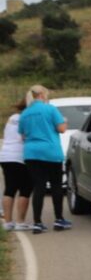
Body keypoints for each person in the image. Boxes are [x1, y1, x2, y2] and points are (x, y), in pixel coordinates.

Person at [19, 85, 69, 234]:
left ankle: (37, 223)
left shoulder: (25, 113)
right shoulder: (50, 109)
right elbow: (62, 129)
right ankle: (59, 219)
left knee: (39, 187)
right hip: (50, 152)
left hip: (31, 153)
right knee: (56, 186)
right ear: (41, 94)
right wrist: (64, 121)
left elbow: (23, 136)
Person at [1, 98, 33, 231]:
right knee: (25, 188)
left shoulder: (12, 117)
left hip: (5, 155)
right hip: (20, 156)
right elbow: (25, 137)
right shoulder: (27, 118)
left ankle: (8, 222)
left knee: (10, 188)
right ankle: (20, 221)